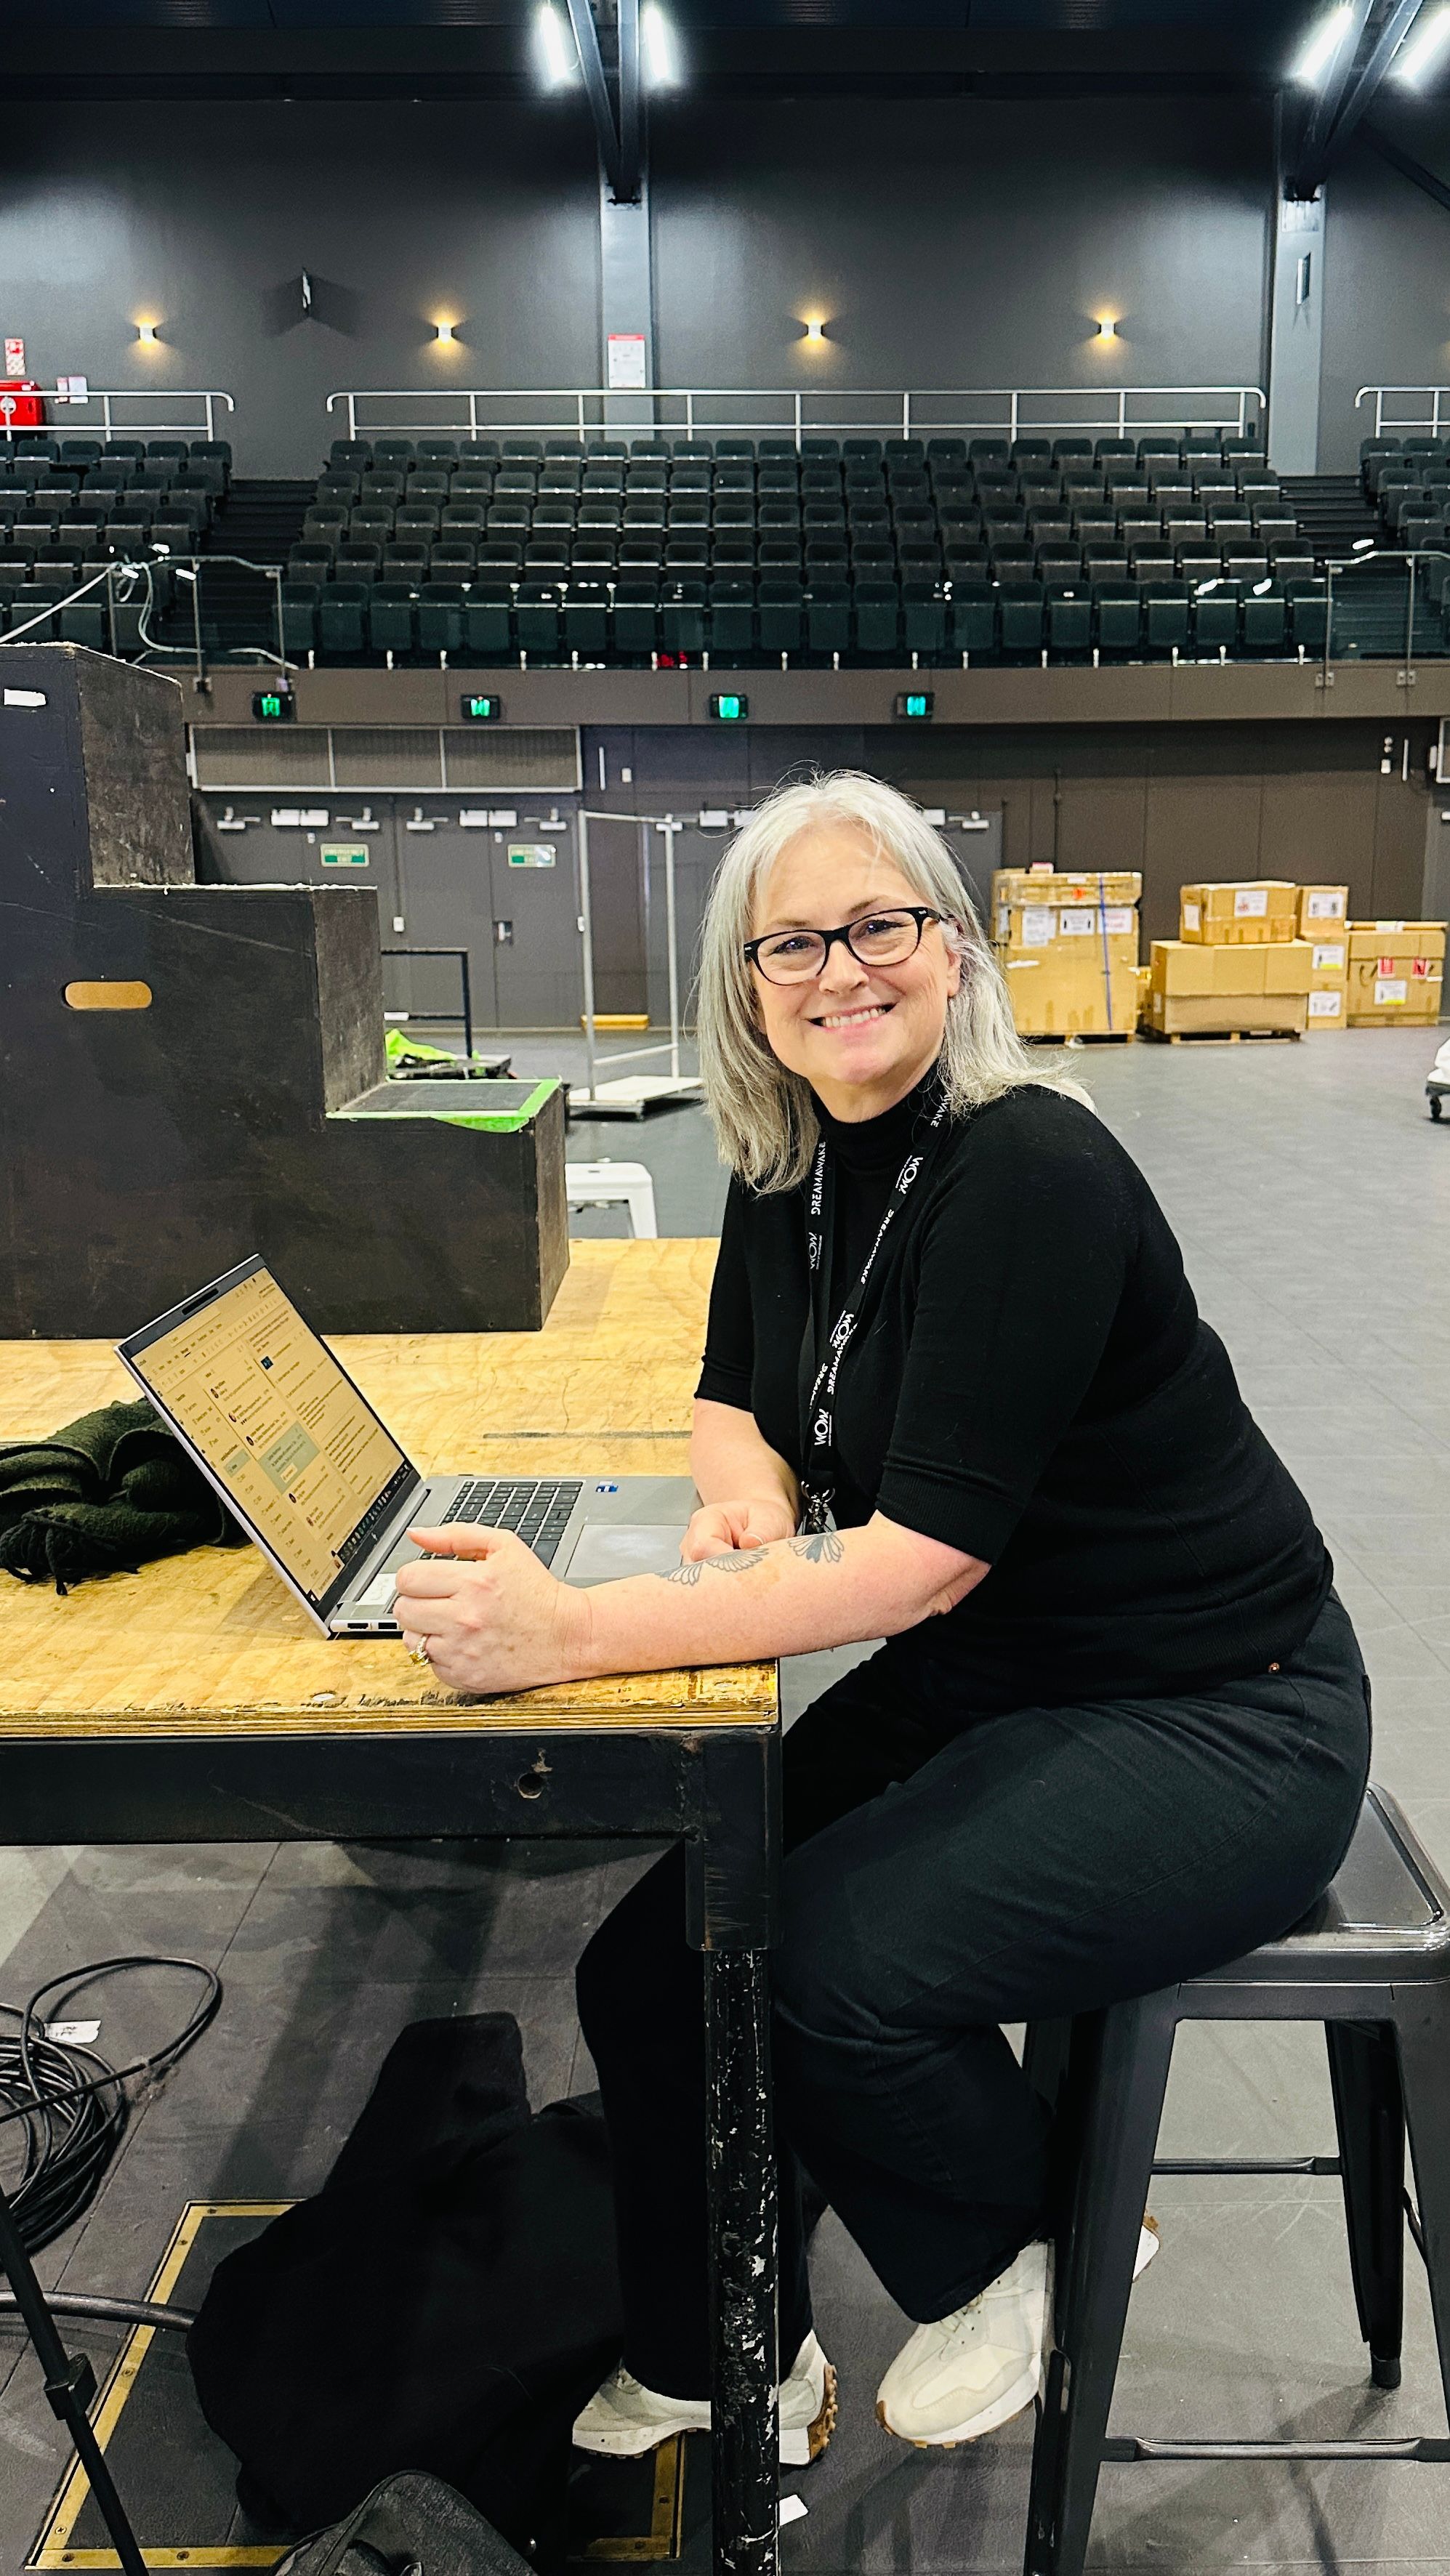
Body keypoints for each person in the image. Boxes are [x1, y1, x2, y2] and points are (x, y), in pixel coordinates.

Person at [394, 771, 1372, 2468]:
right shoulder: (789, 1157)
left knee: (829, 1961)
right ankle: (729, 2355)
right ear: (746, 983)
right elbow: (725, 1396)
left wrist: (572, 1633)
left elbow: (919, 1563)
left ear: (952, 948)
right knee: (655, 1961)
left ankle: (1026, 2247)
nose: (840, 970)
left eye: (879, 925)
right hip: (1006, 1678)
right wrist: (753, 1494)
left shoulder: (1027, 1170)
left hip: (1216, 1708)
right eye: (794, 943)